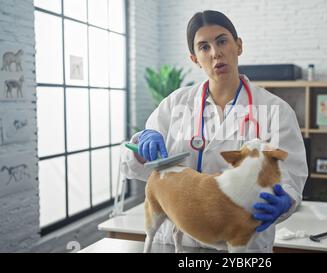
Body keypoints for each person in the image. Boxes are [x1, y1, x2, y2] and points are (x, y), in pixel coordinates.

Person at [121, 10, 308, 253]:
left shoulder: (275, 110)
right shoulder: (175, 104)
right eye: (204, 47)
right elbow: (132, 168)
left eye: (222, 41)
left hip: (243, 244)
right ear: (194, 58)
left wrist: (286, 201)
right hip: (177, 243)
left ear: (238, 46)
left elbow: (292, 174)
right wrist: (141, 148)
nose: (215, 53)